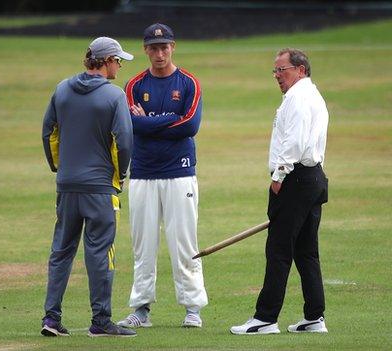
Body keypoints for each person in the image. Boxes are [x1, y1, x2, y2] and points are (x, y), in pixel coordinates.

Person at [41, 37, 135, 338]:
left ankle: (51, 319)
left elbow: (48, 133)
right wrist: (119, 178)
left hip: (67, 186)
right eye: (117, 60)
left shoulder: (62, 89)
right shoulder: (114, 96)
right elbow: (124, 142)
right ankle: (101, 321)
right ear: (106, 61)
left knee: (61, 251)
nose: (119, 65)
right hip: (99, 190)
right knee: (100, 253)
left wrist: (60, 168)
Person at [230, 48, 329, 335]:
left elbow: (294, 142)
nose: (277, 75)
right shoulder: (311, 94)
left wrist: (279, 175)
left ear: (300, 69)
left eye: (282, 69)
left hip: (294, 179)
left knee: (278, 249)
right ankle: (314, 317)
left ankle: (265, 318)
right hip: (312, 179)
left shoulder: (298, 98)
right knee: (306, 250)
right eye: (275, 71)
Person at [117, 23, 208, 329]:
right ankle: (141, 308)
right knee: (143, 244)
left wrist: (149, 123)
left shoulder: (189, 83)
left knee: (184, 242)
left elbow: (189, 126)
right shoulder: (133, 86)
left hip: (179, 171)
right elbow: (131, 126)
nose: (159, 53)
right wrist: (168, 120)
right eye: (153, 48)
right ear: (145, 50)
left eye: (164, 47)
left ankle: (193, 308)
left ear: (173, 47)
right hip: (143, 172)